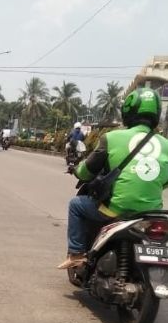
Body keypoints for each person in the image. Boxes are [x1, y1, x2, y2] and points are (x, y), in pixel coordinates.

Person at [58, 87, 168, 269]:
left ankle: (76, 254)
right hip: (151, 213)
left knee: (76, 205)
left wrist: (77, 170)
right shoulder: (166, 144)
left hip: (115, 209)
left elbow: (87, 172)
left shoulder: (111, 138)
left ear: (128, 111)